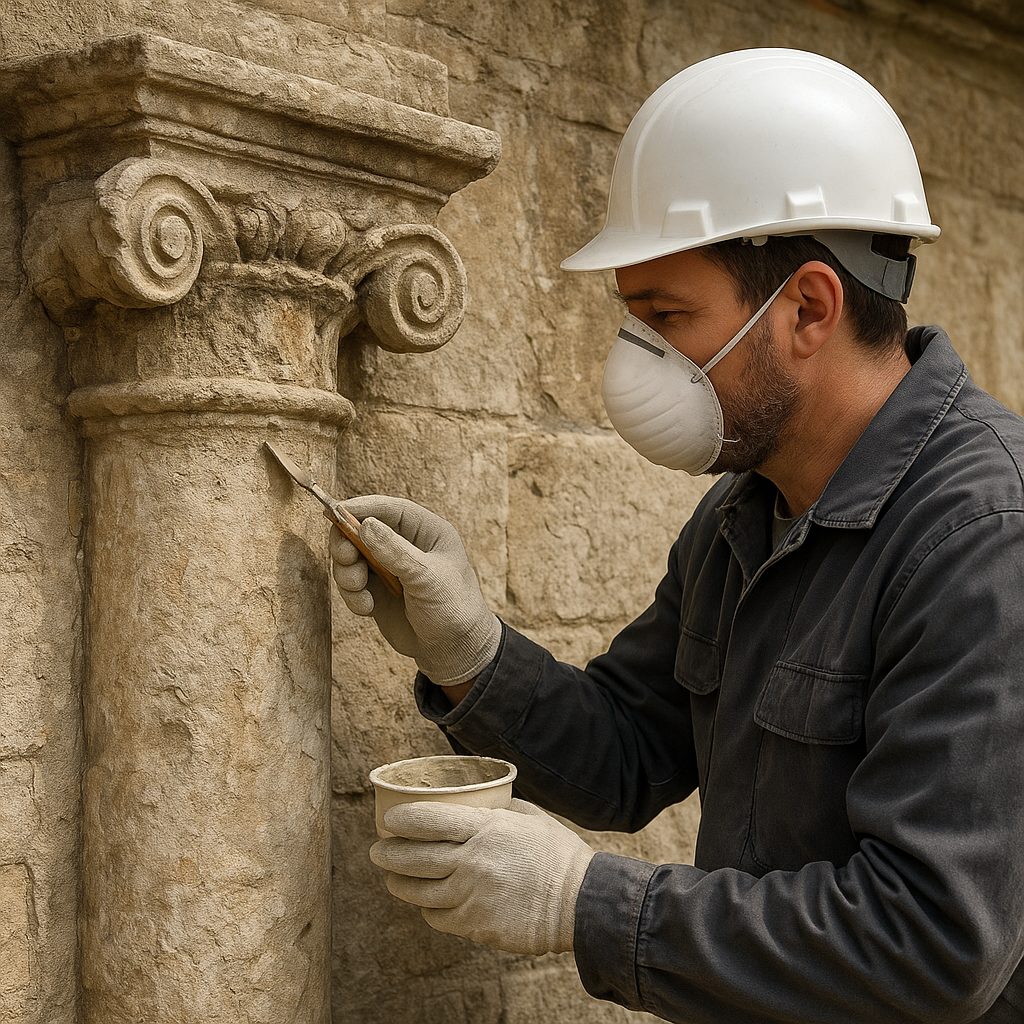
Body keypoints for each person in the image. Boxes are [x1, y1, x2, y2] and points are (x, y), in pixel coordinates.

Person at [330, 49, 1024, 1023]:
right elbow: (627, 755)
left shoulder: (982, 536)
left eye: (667, 316)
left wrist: (587, 904)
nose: (636, 361)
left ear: (809, 309)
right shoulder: (743, 515)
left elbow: (933, 943)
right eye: (633, 318)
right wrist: (469, 653)